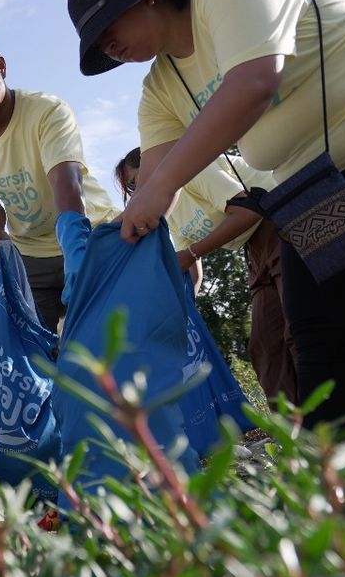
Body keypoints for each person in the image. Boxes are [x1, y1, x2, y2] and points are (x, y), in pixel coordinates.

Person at [68, 0, 345, 452]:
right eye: (96, 45)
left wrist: (154, 193)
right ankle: (342, 503)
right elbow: (155, 178)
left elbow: (254, 84)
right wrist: (117, 243)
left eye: (108, 24)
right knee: (324, 338)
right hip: (318, 181)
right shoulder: (160, 88)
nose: (107, 46)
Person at [0, 30, 118, 332]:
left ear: (1, 67)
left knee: (106, 343)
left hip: (89, 240)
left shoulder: (47, 111)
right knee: (30, 350)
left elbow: (66, 181)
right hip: (31, 256)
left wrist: (76, 249)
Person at [115, 149, 297, 404]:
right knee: (266, 346)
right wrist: (184, 306)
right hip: (254, 250)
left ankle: (335, 423)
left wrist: (191, 253)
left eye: (136, 182)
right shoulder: (169, 210)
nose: (138, 194)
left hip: (283, 221)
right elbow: (191, 265)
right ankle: (295, 434)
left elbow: (249, 211)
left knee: (300, 329)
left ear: (153, 167)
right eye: (132, 190)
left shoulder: (192, 168)